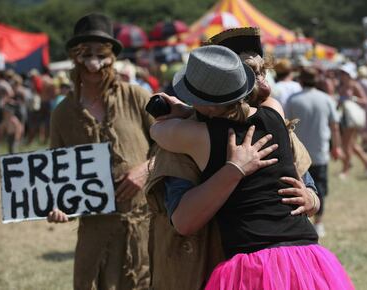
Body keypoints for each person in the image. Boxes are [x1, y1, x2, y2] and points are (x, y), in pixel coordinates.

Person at [150, 45, 354, 289]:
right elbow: (263, 98)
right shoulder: (274, 114)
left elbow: (157, 130)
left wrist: (184, 112)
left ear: (209, 106)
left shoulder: (200, 137)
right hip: (304, 254)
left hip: (253, 261)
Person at [46, 13, 153, 290]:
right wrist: (58, 205)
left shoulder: (136, 97)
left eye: (100, 54)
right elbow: (57, 174)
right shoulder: (63, 114)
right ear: (74, 57)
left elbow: (170, 147)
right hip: (94, 231)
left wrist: (145, 170)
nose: (94, 63)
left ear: (112, 57)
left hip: (141, 227)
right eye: (86, 54)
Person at [285, 67, 344, 238]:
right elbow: (335, 126)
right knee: (321, 189)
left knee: (299, 188)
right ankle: (319, 222)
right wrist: (337, 146)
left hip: (299, 156)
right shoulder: (326, 99)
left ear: (301, 80)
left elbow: (285, 125)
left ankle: (307, 220)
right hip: (320, 152)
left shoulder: (293, 100)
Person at [337, 63, 367, 178]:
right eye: (341, 73)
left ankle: (345, 170)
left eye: (344, 73)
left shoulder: (354, 85)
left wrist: (353, 99)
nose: (341, 75)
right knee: (351, 145)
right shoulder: (342, 86)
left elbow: (365, 101)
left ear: (349, 75)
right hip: (345, 117)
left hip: (352, 118)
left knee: (346, 145)